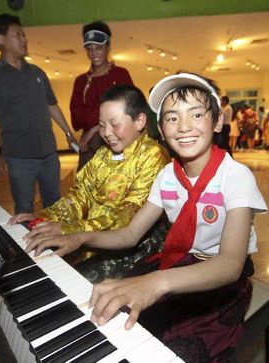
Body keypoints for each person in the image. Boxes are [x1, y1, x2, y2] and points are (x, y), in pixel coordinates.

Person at [25, 73, 268, 361]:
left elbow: (229, 264)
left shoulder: (235, 176)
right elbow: (130, 234)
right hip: (177, 261)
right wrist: (82, 237)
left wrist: (156, 282)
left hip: (221, 279)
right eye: (172, 118)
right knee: (111, 312)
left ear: (217, 122)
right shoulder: (166, 176)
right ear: (161, 130)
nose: (184, 127)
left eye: (196, 114)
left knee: (179, 348)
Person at [9, 84, 171, 282]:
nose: (107, 133)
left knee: (68, 280)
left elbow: (127, 215)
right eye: (102, 125)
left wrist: (69, 229)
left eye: (114, 124)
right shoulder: (103, 154)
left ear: (139, 121)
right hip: (88, 233)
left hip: (134, 245)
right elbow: (79, 196)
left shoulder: (153, 156)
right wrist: (43, 218)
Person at [0, 14, 78, 214]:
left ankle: (53, 244)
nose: (24, 39)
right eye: (18, 35)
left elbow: (52, 106)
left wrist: (68, 133)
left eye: (24, 34)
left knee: (54, 206)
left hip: (49, 154)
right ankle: (26, 246)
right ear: (1, 40)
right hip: (19, 158)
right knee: (24, 209)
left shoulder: (37, 73)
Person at [70, 21, 133, 171]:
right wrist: (105, 119)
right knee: (87, 189)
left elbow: (129, 110)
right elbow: (76, 118)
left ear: (108, 47)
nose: (94, 53)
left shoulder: (121, 75)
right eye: (89, 49)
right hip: (90, 146)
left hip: (118, 141)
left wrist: (96, 128)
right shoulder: (81, 81)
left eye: (98, 48)